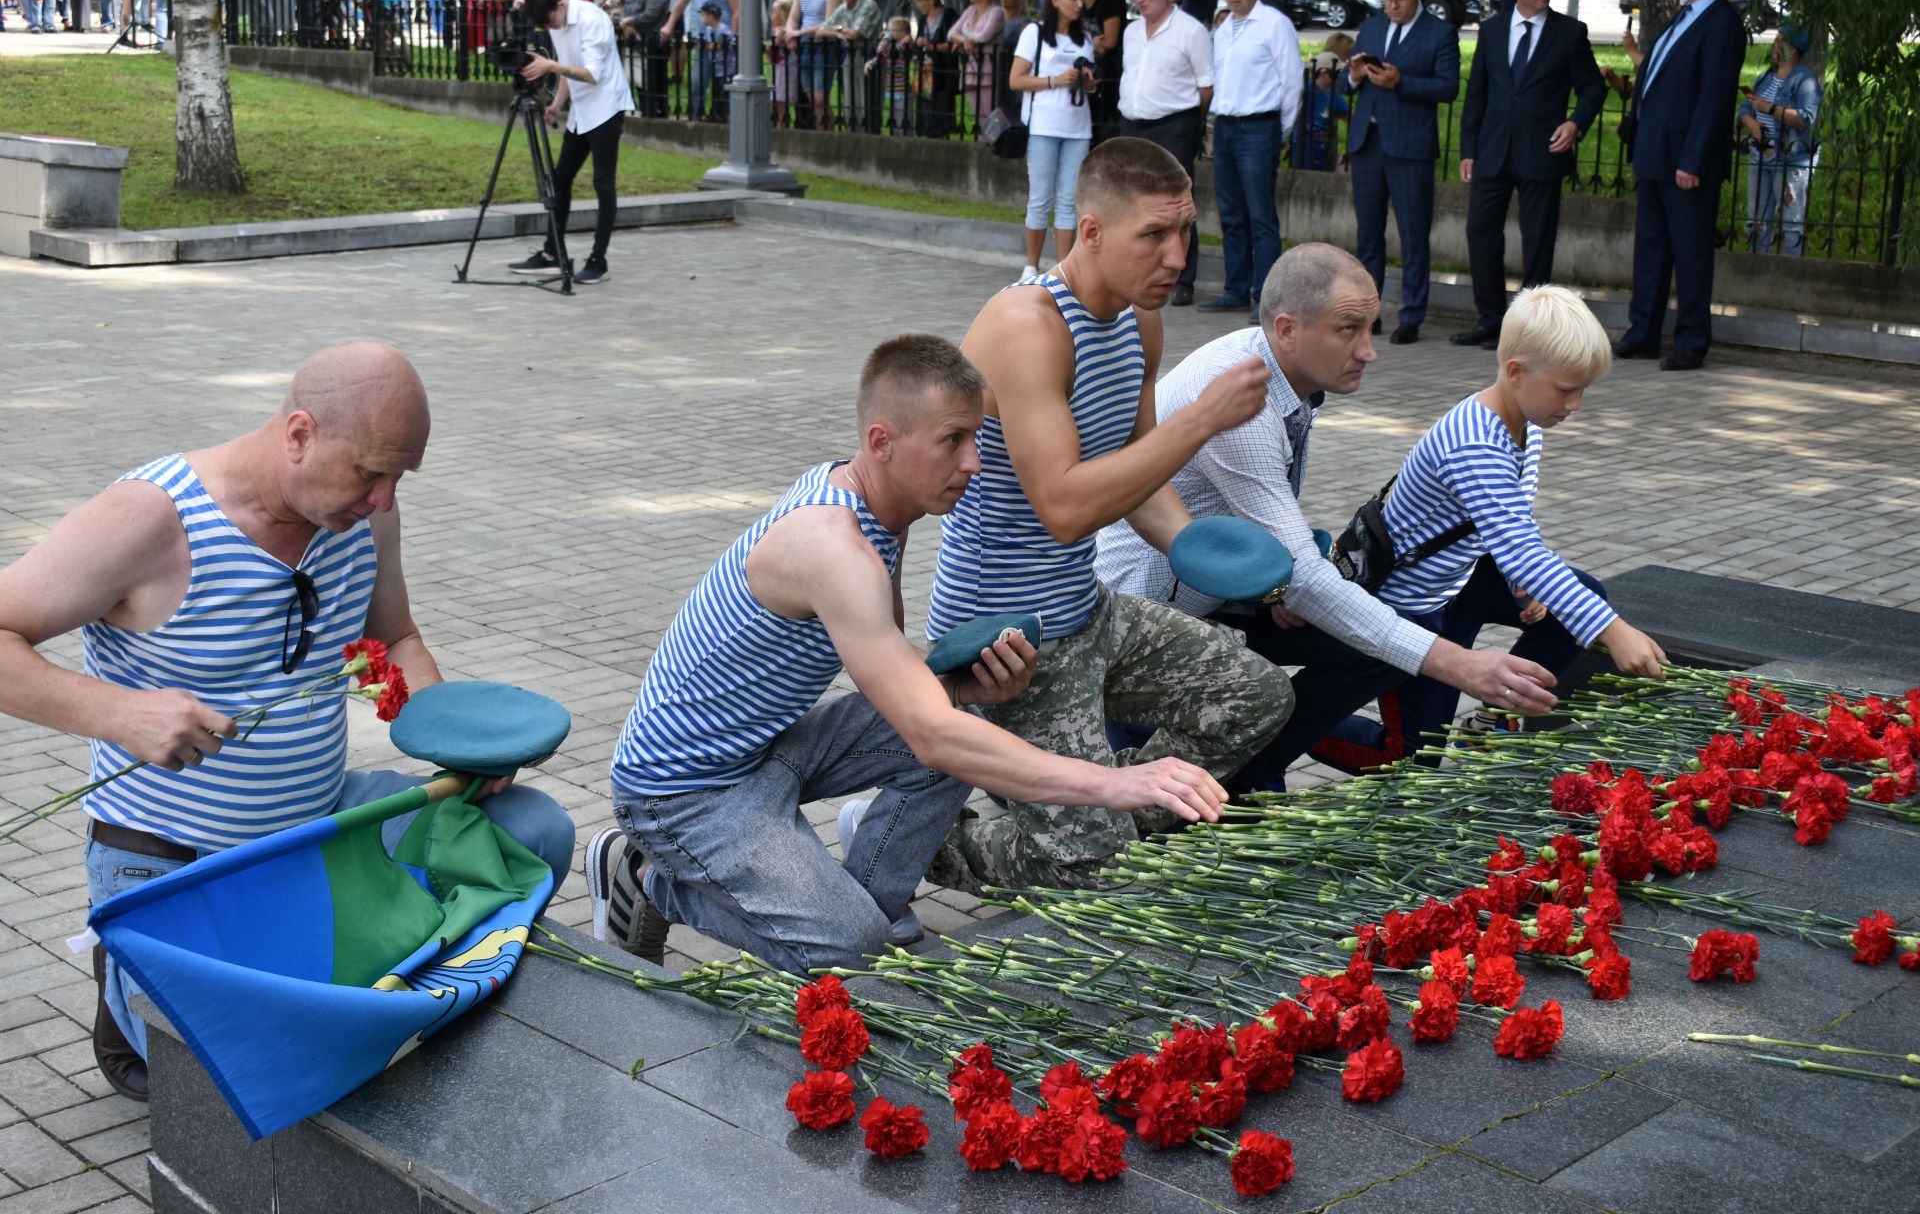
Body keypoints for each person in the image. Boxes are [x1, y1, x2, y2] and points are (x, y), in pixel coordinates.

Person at [0, 343, 575, 1102]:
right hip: (179, 856)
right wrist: (117, 712)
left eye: (399, 477)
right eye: (370, 472)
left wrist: (455, 748)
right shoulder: (150, 517)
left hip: (317, 827)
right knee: (242, 1077)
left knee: (532, 829)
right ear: (298, 433)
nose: (384, 498)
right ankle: (137, 1009)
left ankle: (386, 988)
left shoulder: (366, 519)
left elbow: (396, 635)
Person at [592, 335, 1231, 970]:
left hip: (763, 747)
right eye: (953, 440)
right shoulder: (835, 547)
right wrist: (1118, 782)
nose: (975, 462)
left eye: (977, 437)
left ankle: (869, 904)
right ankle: (647, 876)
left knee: (962, 723)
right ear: (881, 442)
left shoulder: (876, 502)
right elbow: (928, 734)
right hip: (684, 791)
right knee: (848, 949)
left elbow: (907, 686)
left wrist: (961, 693)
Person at [927, 138, 1294, 891]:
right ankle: (935, 843)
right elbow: (1064, 507)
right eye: (1153, 235)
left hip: (1087, 612)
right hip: (1006, 646)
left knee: (1258, 696)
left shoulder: (1138, 321)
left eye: (1186, 231)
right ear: (1090, 233)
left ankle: (1095, 807)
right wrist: (1200, 423)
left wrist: (1196, 544)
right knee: (1094, 866)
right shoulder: (1025, 325)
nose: (1177, 256)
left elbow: (1138, 480)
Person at [1095, 244, 1560, 792]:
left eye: (1371, 328)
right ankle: (1177, 745)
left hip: (1220, 593)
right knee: (1158, 828)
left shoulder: (1285, 370)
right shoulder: (1239, 398)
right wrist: (1463, 666)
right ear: (1288, 328)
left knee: (1385, 641)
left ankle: (1258, 754)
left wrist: (1279, 585)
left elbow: (1271, 522)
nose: (1369, 351)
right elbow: (1304, 572)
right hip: (1138, 619)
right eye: (1349, 330)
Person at [1325, 286, 1669, 769]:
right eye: (1566, 389)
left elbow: (1504, 524)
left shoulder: (1523, 420)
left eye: (1583, 390)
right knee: (1409, 759)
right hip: (1410, 604)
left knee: (1576, 602)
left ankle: (1493, 719)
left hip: (1460, 581)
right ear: (1516, 372)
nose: (1576, 405)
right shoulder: (1476, 444)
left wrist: (1521, 585)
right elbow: (1522, 548)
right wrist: (1614, 632)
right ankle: (1282, 730)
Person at [1451, 0, 1606, 351]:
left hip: (1543, 151)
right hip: (1494, 151)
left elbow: (1593, 87)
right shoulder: (1492, 30)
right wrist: (1469, 149)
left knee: (1537, 240)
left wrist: (1575, 123)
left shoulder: (1569, 32)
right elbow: (1478, 95)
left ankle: (1532, 329)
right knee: (1481, 232)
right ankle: (1490, 320)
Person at [1612, 0, 1744, 373]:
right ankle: (1643, 332)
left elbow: (1714, 100)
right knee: (1650, 249)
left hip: (1686, 162)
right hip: (1656, 155)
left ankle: (1691, 340)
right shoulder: (1683, 17)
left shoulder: (1722, 25)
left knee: (1689, 253)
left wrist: (1693, 159)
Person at [1343, 0, 1458, 345]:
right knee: (1368, 236)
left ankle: (1411, 315)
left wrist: (1401, 82)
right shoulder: (1373, 26)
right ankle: (1368, 314)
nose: (1393, 5)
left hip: (1410, 147)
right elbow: (1349, 83)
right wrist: (1356, 75)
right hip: (1368, 144)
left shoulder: (1440, 32)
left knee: (1413, 236)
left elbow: (1447, 87)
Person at [504, 0, 636, 286]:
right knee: (560, 178)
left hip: (606, 108)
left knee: (603, 183)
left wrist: (550, 65)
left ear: (560, 5)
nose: (550, 26)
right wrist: (557, 104)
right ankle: (553, 254)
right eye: (545, 24)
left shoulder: (591, 20)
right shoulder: (557, 22)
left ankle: (598, 261)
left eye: (550, 20)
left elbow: (592, 73)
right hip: (582, 112)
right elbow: (568, 68)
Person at [1197, 0, 1301, 324]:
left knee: (1261, 217)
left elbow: (1292, 82)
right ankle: (1236, 288)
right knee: (1231, 214)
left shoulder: (1274, 25)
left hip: (1259, 128)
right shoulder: (1224, 29)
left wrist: (1279, 131)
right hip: (1226, 127)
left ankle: (1266, 296)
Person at [1115, 0, 1212, 308]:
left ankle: (1183, 278)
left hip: (1174, 125)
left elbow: (1206, 87)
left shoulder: (1190, 31)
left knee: (1176, 205)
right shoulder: (1131, 32)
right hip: (1133, 124)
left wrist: (1187, 125)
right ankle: (1138, 271)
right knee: (1132, 202)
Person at [1008, 0, 1097, 278]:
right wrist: (1055, 80)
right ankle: (1030, 265)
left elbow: (1089, 86)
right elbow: (1016, 79)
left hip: (1077, 127)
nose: (1079, 4)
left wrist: (1087, 82)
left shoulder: (1083, 38)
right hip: (1044, 126)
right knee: (1040, 197)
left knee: (1069, 200)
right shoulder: (1034, 33)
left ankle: (1063, 269)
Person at [1737, 22, 1820, 257]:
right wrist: (1752, 123)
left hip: (1790, 161)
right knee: (1757, 220)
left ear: (1792, 49)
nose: (1774, 45)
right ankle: (1757, 271)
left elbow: (1806, 118)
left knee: (1791, 224)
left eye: (1779, 41)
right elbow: (1745, 108)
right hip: (1761, 157)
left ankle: (1789, 272)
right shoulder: (1767, 77)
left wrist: (1770, 108)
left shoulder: (1804, 81)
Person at [660, 0, 737, 120]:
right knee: (697, 83)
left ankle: (721, 118)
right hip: (702, 40)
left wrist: (733, 38)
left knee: (721, 84)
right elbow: (682, 1)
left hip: (721, 43)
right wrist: (670, 25)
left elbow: (737, 11)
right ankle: (696, 117)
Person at [780, 0, 836, 130]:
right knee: (812, 96)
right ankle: (822, 132)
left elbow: (829, 23)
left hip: (823, 47)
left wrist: (799, 33)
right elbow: (793, 18)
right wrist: (790, 33)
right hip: (804, 46)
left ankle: (828, 132)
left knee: (820, 97)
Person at [1074, 0, 1125, 138]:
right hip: (1086, 62)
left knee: (1105, 116)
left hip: (1109, 64)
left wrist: (1099, 44)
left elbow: (1110, 40)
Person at [821, 0, 881, 131]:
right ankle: (853, 132)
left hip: (870, 57)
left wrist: (838, 29)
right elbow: (822, 30)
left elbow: (856, 33)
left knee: (866, 99)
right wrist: (841, 33)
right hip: (851, 56)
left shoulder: (868, 5)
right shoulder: (842, 8)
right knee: (850, 99)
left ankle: (869, 133)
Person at [953, 0, 1006, 135]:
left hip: (988, 70)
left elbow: (985, 35)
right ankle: (982, 145)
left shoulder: (996, 12)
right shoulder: (970, 10)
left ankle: (997, 147)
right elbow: (952, 33)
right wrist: (964, 41)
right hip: (971, 69)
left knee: (991, 114)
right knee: (979, 117)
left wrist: (966, 39)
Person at [620, 0, 671, 114]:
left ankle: (654, 111)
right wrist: (627, 24)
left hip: (651, 42)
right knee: (638, 79)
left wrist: (631, 21)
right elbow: (625, 9)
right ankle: (642, 110)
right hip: (635, 41)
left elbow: (651, 14)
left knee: (651, 81)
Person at [910, 0, 960, 137]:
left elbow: (954, 44)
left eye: (920, 1)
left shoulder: (949, 15)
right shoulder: (923, 20)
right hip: (926, 73)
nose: (918, 5)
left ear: (931, 0)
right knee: (926, 113)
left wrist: (934, 46)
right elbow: (919, 43)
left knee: (941, 112)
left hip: (943, 73)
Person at [1293, 50, 1349, 170]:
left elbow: (1350, 116)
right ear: (1325, 73)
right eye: (1337, 72)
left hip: (1314, 148)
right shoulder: (1306, 91)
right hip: (1306, 147)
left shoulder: (1305, 89)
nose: (1339, 75)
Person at [866, 12, 913, 134]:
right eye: (889, 30)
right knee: (895, 123)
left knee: (903, 122)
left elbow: (881, 50)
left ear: (904, 33)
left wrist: (886, 36)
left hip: (902, 91)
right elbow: (882, 57)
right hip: (892, 90)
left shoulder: (903, 47)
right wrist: (871, 63)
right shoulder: (894, 46)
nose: (891, 32)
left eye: (894, 30)